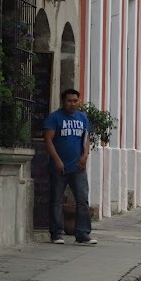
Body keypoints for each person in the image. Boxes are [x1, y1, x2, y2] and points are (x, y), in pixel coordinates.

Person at [44, 89, 95, 245]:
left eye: (75, 101)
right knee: (57, 200)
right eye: (69, 101)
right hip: (59, 167)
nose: (72, 104)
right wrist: (57, 160)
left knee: (82, 200)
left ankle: (82, 234)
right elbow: (48, 140)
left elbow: (86, 139)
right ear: (63, 101)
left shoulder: (83, 118)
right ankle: (56, 234)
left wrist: (85, 155)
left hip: (78, 167)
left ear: (79, 101)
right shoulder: (54, 118)